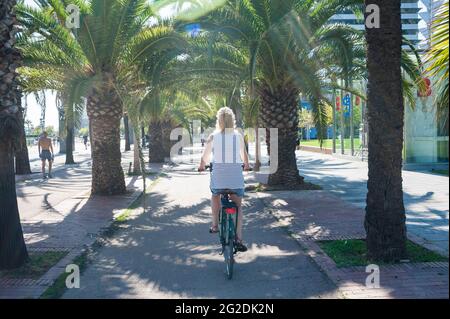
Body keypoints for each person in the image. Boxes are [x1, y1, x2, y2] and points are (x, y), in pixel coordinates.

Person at [198, 107, 250, 252]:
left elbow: (204, 158)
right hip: (235, 181)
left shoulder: (213, 136)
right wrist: (246, 166)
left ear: (219, 121)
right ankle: (239, 239)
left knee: (215, 195)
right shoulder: (238, 136)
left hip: (219, 180)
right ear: (232, 120)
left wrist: (202, 166)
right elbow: (245, 158)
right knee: (238, 206)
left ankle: (215, 225)